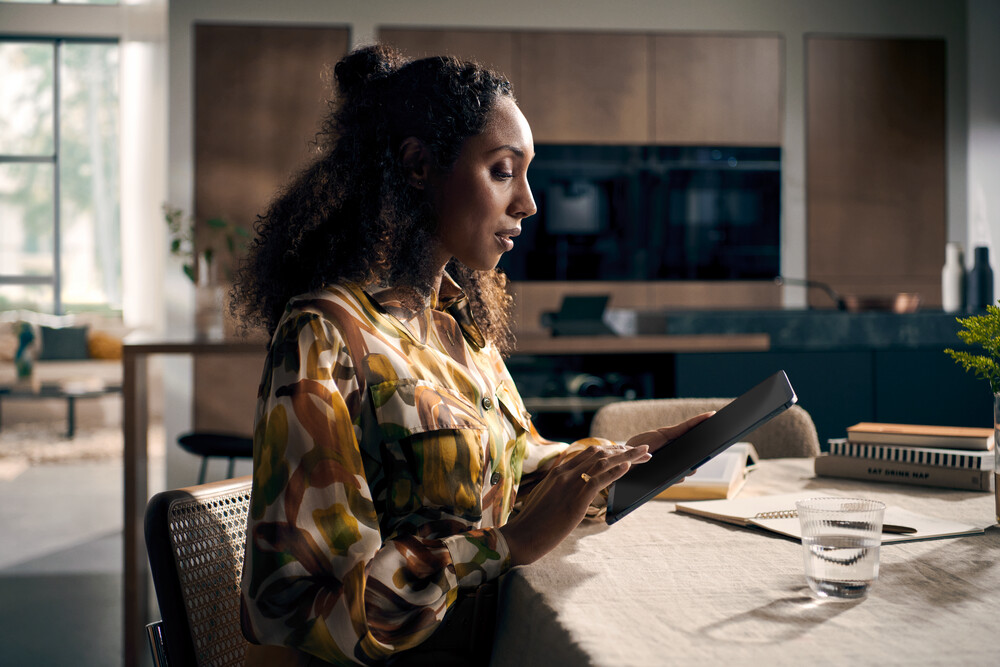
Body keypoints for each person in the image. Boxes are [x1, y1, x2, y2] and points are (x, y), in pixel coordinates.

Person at [230, 44, 710, 666]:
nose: (529, 203)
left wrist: (627, 459)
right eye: (504, 171)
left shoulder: (460, 329)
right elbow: (303, 612)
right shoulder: (326, 335)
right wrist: (506, 545)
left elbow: (516, 468)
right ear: (418, 166)